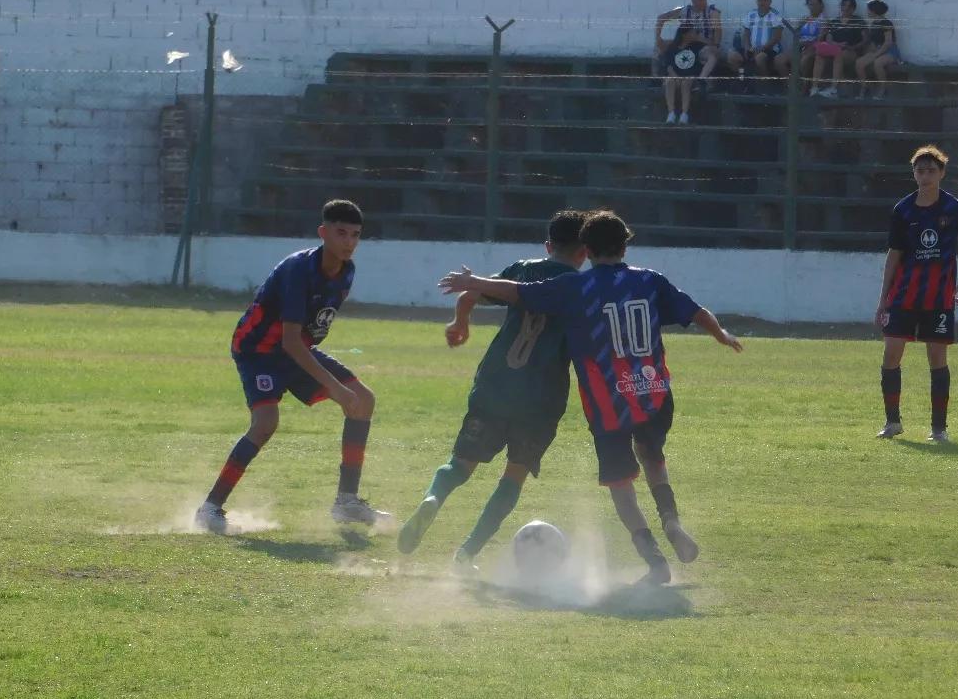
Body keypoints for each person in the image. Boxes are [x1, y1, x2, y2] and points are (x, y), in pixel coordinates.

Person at [439, 211, 743, 585]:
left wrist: (472, 281)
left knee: (621, 486)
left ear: (587, 249)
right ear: (624, 245)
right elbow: (696, 312)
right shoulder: (650, 280)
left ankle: (655, 562)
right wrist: (721, 334)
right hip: (653, 394)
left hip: (609, 402)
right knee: (652, 459)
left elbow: (515, 291)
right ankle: (672, 520)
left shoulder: (575, 287)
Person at [397, 210, 590, 574]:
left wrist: (460, 323)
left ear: (548, 246)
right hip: (541, 400)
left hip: (496, 386)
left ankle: (433, 497)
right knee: (512, 476)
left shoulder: (523, 269)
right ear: (584, 252)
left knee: (459, 464)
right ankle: (466, 555)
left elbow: (472, 292)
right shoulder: (582, 287)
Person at [195, 199, 392, 533]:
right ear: (323, 233)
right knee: (266, 423)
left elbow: (306, 336)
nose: (348, 242)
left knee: (364, 401)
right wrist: (336, 388)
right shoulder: (299, 270)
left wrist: (340, 388)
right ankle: (210, 508)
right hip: (259, 350)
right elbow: (289, 340)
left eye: (355, 235)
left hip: (295, 350)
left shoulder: (347, 272)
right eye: (341, 233)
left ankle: (346, 503)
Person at [874, 146, 958, 442]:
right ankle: (893, 422)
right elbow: (894, 255)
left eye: (931, 170)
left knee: (937, 358)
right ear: (913, 174)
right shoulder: (902, 209)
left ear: (941, 173)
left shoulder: (954, 208)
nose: (925, 176)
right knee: (891, 354)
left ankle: (938, 429)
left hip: (939, 297)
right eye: (920, 171)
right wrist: (883, 299)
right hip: (903, 296)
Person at [653, 0, 723, 86]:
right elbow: (661, 18)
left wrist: (698, 38)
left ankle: (701, 80)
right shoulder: (684, 11)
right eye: (700, 0)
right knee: (657, 47)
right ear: (693, 0)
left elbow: (717, 40)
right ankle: (655, 78)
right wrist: (658, 37)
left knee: (714, 53)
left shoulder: (712, 12)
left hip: (702, 45)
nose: (704, 2)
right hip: (683, 45)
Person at [727, 0, 788, 90]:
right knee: (732, 57)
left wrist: (761, 49)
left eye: (765, 0)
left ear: (770, 1)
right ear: (757, 1)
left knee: (759, 58)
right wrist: (747, 47)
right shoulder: (751, 14)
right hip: (752, 49)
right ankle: (743, 79)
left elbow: (777, 37)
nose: (762, 2)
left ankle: (766, 85)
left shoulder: (775, 15)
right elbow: (746, 33)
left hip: (770, 50)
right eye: (760, 0)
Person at [810, 0, 868, 98]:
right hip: (835, 49)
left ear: (853, 8)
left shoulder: (859, 21)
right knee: (820, 56)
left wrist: (853, 47)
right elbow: (829, 39)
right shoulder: (834, 22)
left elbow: (865, 40)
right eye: (844, 5)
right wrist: (837, 45)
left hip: (851, 51)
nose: (846, 8)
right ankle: (814, 88)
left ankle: (833, 89)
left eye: (849, 6)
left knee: (840, 54)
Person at [777, 0, 827, 87]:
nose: (813, 7)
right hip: (800, 46)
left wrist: (806, 49)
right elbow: (796, 35)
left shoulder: (823, 20)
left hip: (813, 48)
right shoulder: (804, 18)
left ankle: (805, 87)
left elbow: (820, 39)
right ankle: (791, 85)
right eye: (810, 4)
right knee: (779, 59)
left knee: (803, 60)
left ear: (821, 5)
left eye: (815, 4)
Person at [854, 0, 901, 99]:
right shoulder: (874, 23)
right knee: (859, 63)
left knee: (878, 63)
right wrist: (870, 53)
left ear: (874, 10)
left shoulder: (886, 23)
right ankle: (864, 87)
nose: (867, 12)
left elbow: (888, 42)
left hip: (890, 52)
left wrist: (876, 54)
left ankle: (883, 89)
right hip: (878, 51)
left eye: (869, 10)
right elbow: (874, 42)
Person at [662, 24, 702, 125]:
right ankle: (671, 113)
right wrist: (676, 77)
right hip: (677, 74)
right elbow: (669, 67)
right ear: (684, 35)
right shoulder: (672, 49)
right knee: (669, 81)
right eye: (692, 33)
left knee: (686, 83)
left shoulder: (697, 47)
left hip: (692, 75)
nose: (695, 34)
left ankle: (684, 114)